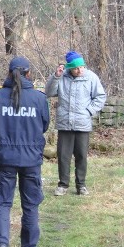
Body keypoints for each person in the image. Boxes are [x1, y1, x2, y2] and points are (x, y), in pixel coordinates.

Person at [0, 56, 50, 247]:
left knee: (2, 202)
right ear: (29, 73)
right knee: (30, 205)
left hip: (4, 159)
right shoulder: (39, 99)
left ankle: (1, 243)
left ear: (8, 73)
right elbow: (45, 125)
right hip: (31, 159)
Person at [46, 50, 107, 197]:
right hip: (64, 123)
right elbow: (48, 92)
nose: (79, 70)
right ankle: (63, 185)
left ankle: (81, 185)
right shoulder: (61, 77)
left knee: (81, 155)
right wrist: (56, 76)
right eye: (75, 68)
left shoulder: (91, 77)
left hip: (82, 123)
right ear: (69, 68)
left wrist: (88, 111)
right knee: (63, 156)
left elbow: (100, 97)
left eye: (81, 67)